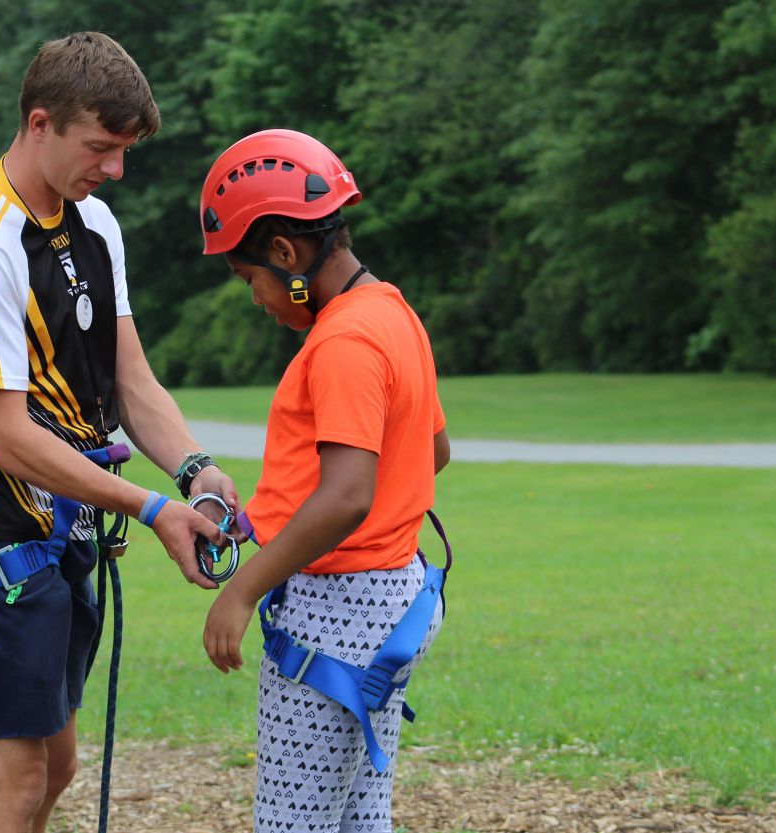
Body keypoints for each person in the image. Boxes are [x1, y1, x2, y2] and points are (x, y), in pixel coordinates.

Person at [0, 32, 235, 833]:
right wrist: (153, 509)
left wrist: (194, 468)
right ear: (39, 124)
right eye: (101, 147)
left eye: (125, 150)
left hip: (67, 530)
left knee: (55, 764)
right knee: (13, 777)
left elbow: (129, 380)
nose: (116, 169)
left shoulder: (95, 224)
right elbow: (10, 433)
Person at [197, 129, 452, 832]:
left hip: (333, 614)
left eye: (250, 279)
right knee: (358, 814)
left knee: (294, 821)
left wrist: (243, 588)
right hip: (390, 602)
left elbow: (346, 494)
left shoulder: (342, 342)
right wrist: (272, 512)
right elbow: (430, 451)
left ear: (286, 254)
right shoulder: (392, 313)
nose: (256, 298)